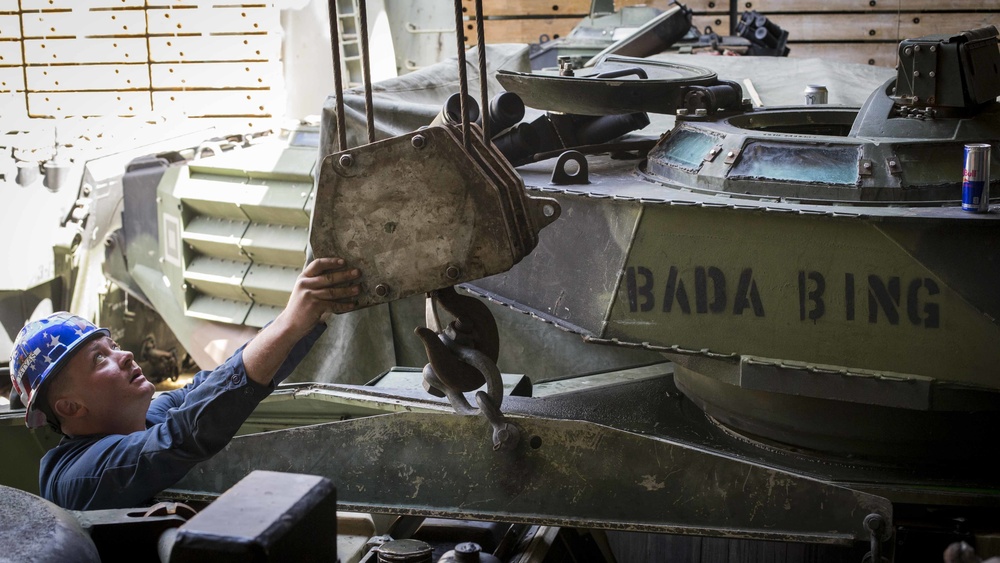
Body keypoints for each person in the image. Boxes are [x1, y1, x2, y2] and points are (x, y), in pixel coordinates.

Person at [8, 257, 361, 511]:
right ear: (69, 407)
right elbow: (183, 434)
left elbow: (208, 387)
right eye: (100, 359)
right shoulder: (77, 478)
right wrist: (289, 326)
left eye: (113, 346)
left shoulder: (141, 421)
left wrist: (307, 315)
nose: (126, 355)